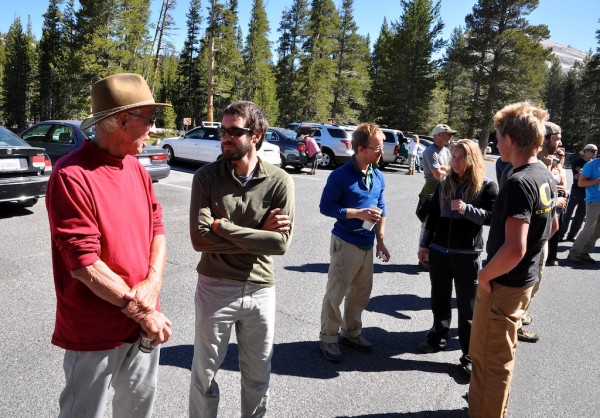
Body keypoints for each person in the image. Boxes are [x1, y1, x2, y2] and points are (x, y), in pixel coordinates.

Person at [46, 73, 173, 417]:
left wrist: (151, 286)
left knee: (137, 410)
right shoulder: (72, 174)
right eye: (149, 119)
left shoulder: (137, 169)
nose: (153, 129)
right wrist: (143, 310)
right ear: (121, 120)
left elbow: (157, 231)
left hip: (143, 323)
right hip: (96, 330)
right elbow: (85, 264)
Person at [188, 100, 295, 418]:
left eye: (235, 130)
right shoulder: (206, 178)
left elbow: (279, 245)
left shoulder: (279, 181)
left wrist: (223, 227)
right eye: (223, 130)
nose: (226, 136)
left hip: (260, 289)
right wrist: (257, 233)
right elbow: (199, 239)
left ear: (257, 135)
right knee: (204, 376)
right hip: (215, 287)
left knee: (257, 376)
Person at [468, 102, 558, 418]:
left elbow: (514, 249)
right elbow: (553, 227)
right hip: (522, 282)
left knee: (492, 361)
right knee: (493, 355)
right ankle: (484, 406)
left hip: (503, 286)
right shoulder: (543, 174)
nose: (495, 142)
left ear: (512, 140)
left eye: (498, 136)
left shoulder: (519, 182)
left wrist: (484, 277)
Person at [417, 139, 497, 376]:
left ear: (472, 159)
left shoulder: (486, 186)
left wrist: (466, 209)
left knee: (468, 308)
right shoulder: (444, 184)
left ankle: (470, 354)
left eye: (462, 157)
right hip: (440, 251)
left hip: (467, 255)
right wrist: (424, 245)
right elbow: (431, 217)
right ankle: (437, 337)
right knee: (439, 299)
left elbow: (493, 217)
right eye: (454, 157)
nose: (457, 162)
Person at [318, 123, 391, 362]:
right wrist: (356, 213)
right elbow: (326, 207)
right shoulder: (340, 176)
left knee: (361, 293)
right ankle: (328, 338)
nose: (382, 151)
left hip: (367, 245)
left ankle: (351, 333)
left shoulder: (377, 174)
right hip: (345, 243)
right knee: (335, 293)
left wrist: (380, 240)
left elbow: (381, 209)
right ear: (361, 149)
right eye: (377, 147)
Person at [416, 124, 455, 270]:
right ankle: (423, 258)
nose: (450, 136)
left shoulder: (445, 151)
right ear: (438, 135)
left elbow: (453, 169)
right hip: (431, 190)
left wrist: (446, 169)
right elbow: (438, 175)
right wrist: (447, 169)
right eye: (447, 134)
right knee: (428, 224)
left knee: (439, 224)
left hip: (444, 190)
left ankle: (432, 256)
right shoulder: (430, 151)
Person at [567, 146, 600, 265]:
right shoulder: (591, 165)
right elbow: (580, 183)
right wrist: (597, 181)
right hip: (594, 201)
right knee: (589, 229)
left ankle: (585, 252)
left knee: (598, 230)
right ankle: (574, 254)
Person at [561, 144, 599, 241]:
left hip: (588, 193)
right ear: (585, 151)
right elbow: (576, 177)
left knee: (580, 216)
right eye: (591, 150)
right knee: (568, 213)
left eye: (595, 151)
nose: (594, 153)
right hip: (576, 191)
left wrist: (585, 173)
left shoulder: (595, 164)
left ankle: (572, 235)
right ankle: (561, 234)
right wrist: (583, 173)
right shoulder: (577, 162)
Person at [546, 147, 568, 266]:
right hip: (546, 197)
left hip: (558, 199)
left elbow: (563, 186)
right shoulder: (546, 167)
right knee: (544, 226)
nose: (559, 157)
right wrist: (549, 166)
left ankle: (552, 256)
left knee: (556, 227)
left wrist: (553, 186)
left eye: (562, 155)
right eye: (557, 154)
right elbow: (544, 181)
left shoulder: (561, 170)